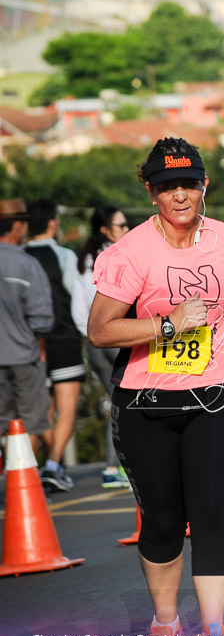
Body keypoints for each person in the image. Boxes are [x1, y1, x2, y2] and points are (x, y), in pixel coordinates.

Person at [88, 137, 224, 636]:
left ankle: (213, 630)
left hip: (214, 398)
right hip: (145, 405)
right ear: (151, 193)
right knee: (165, 522)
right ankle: (165, 620)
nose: (181, 195)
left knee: (212, 513)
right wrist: (165, 326)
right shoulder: (130, 253)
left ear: (204, 184)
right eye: (168, 187)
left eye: (189, 183)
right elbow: (100, 330)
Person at [25, 197, 88, 492]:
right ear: (53, 223)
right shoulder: (63, 256)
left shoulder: (20, 255)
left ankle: (51, 465)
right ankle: (52, 465)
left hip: (30, 343)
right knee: (67, 407)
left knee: (43, 409)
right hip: (64, 338)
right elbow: (75, 300)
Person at [73, 206, 131, 488]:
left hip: (93, 343)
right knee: (130, 402)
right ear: (105, 230)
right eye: (121, 226)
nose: (127, 230)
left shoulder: (83, 260)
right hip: (118, 336)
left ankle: (114, 466)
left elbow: (77, 308)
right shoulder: (118, 256)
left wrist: (92, 332)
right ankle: (118, 466)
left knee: (116, 402)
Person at [0, 198, 54, 455]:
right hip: (23, 357)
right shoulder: (28, 265)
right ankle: (22, 491)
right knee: (27, 426)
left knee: (4, 425)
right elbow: (42, 319)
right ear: (17, 227)